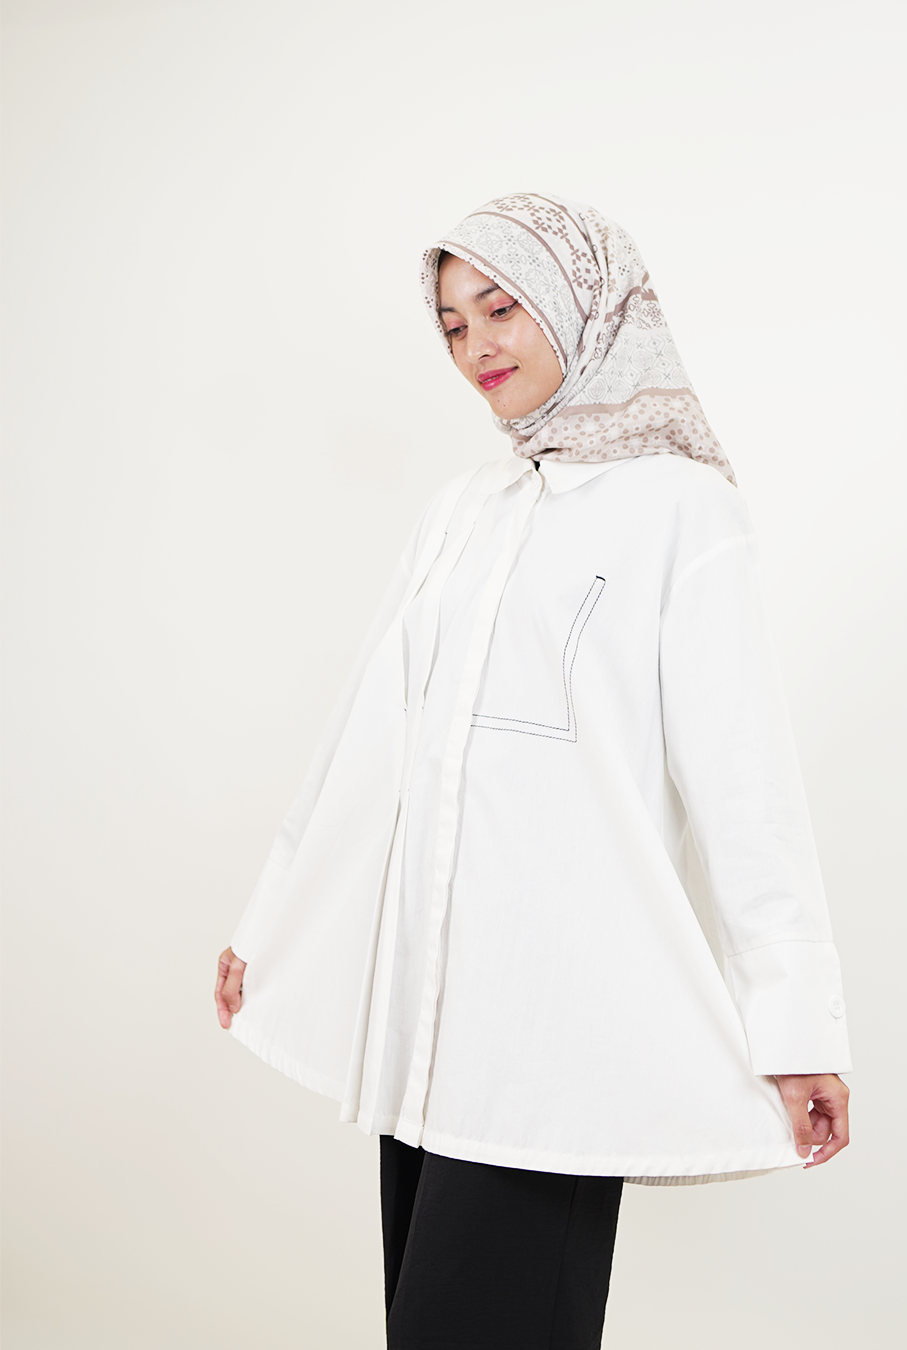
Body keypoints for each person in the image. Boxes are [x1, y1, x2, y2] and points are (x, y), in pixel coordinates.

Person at [215, 192, 852, 1349]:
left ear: (581, 302)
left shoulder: (683, 511)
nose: (476, 347)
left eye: (500, 307)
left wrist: (798, 1028)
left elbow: (744, 782)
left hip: (556, 1034)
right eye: (452, 325)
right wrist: (272, 923)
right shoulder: (465, 510)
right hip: (422, 1019)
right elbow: (368, 734)